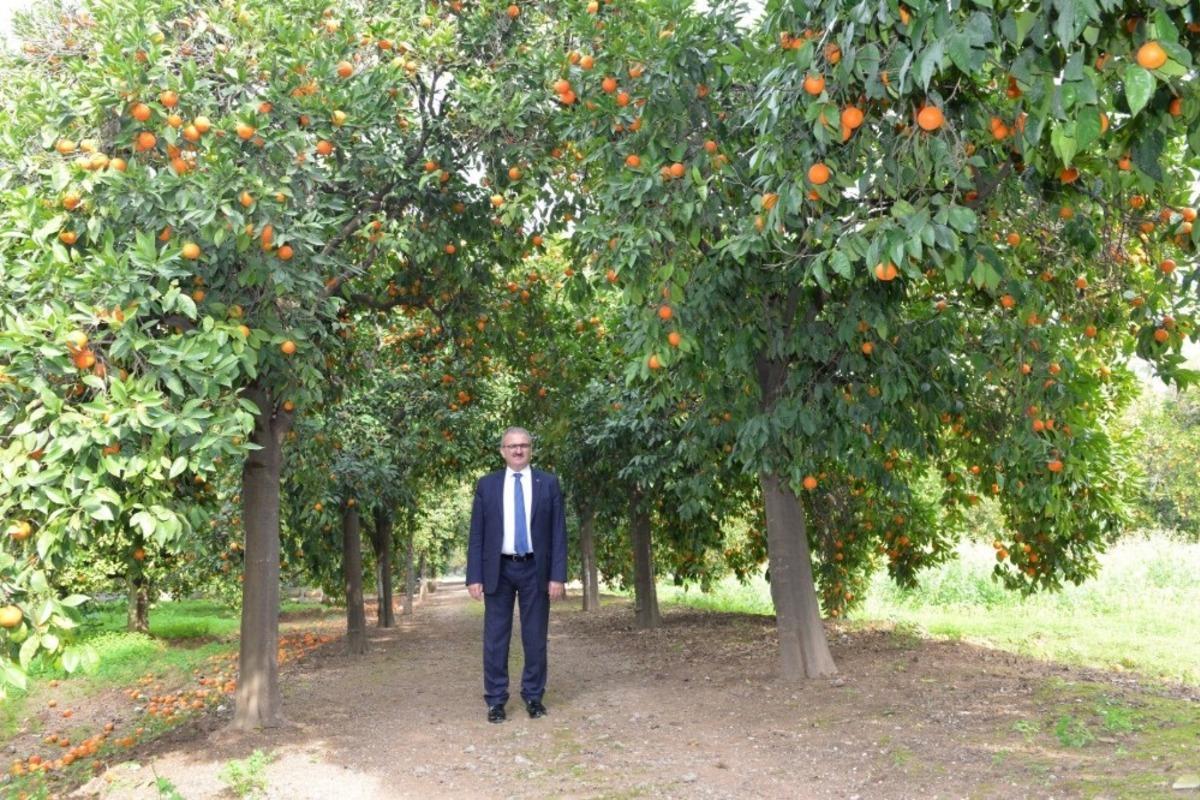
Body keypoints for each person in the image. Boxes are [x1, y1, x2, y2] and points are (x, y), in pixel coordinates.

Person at [466, 426, 567, 723]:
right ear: (502, 451)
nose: (518, 450)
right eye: (512, 446)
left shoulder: (548, 483)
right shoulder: (487, 485)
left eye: (523, 445)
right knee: (496, 638)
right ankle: (496, 700)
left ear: (531, 449)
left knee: (535, 637)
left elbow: (558, 533)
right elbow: (477, 534)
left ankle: (534, 697)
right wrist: (474, 576)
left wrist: (557, 576)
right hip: (499, 568)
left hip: (537, 568)